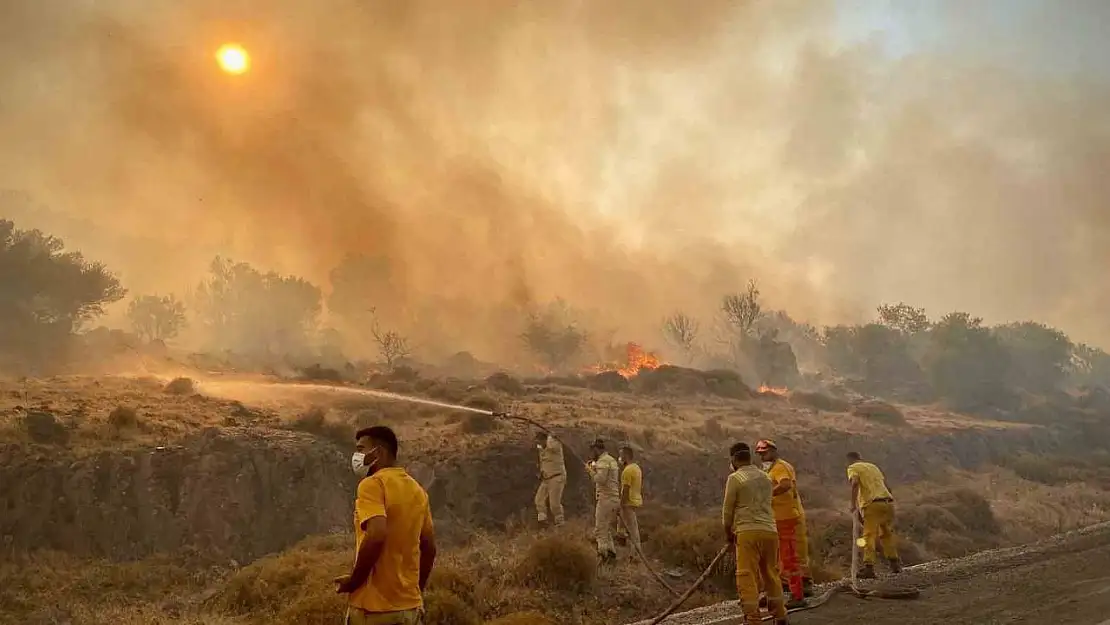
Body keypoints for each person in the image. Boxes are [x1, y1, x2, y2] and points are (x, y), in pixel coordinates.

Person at [335, 426, 437, 625]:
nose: (357, 456)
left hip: (372, 610)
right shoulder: (417, 490)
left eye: (361, 449)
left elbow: (376, 535)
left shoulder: (372, 484)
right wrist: (415, 594)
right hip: (409, 610)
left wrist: (354, 581)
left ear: (378, 453)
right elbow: (429, 549)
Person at [723, 442, 789, 625]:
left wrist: (728, 533)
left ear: (734, 460)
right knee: (771, 574)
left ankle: (752, 619)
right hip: (770, 531)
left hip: (747, 532)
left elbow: (727, 512)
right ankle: (780, 615)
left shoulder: (735, 478)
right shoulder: (766, 477)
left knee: (746, 576)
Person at [755, 439, 813, 603]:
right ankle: (779, 589)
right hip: (777, 518)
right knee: (778, 557)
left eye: (764, 453)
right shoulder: (770, 469)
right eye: (760, 454)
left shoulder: (781, 467)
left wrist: (768, 495)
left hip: (788, 517)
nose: (762, 457)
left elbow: (785, 484)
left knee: (792, 555)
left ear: (773, 451)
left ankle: (801, 588)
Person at [846, 451, 902, 579]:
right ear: (861, 458)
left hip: (872, 504)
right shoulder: (873, 467)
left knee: (869, 535)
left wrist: (853, 504)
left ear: (850, 460)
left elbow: (855, 484)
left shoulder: (853, 468)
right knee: (887, 534)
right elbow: (887, 486)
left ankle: (869, 567)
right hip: (887, 502)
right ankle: (895, 564)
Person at [586, 438, 621, 564]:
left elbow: (600, 479)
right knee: (606, 528)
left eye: (592, 451)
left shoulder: (603, 461)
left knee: (600, 529)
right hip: (614, 499)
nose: (591, 454)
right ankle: (611, 554)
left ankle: (603, 556)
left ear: (596, 449)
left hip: (606, 499)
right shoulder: (611, 460)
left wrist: (590, 470)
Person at [533, 431, 566, 527]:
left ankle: (560, 523)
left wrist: (551, 437)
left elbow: (552, 445)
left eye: (539, 441)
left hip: (557, 477)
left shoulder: (555, 446)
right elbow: (542, 461)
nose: (538, 444)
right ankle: (542, 521)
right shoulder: (541, 449)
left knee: (554, 504)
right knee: (539, 499)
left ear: (545, 440)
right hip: (546, 478)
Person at [617, 445, 643, 555]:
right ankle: (632, 552)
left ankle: (635, 554)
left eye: (621, 455)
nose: (620, 457)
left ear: (626, 456)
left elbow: (626, 490)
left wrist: (621, 504)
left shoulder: (627, 471)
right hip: (635, 501)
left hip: (628, 502)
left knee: (632, 530)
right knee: (630, 528)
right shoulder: (636, 468)